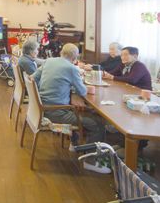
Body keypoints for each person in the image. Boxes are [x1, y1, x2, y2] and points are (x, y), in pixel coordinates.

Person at [31, 43, 106, 172]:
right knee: (97, 123)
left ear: (61, 52)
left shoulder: (49, 61)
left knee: (76, 109)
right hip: (55, 112)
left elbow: (33, 78)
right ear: (75, 58)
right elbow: (82, 91)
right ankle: (90, 161)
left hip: (42, 108)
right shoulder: (72, 68)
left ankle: (74, 144)